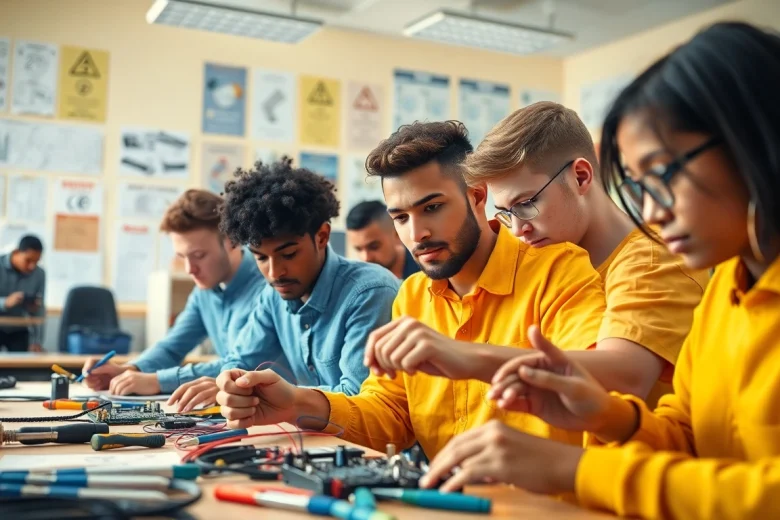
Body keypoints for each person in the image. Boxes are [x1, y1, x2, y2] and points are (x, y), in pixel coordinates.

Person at [423, 21, 780, 519]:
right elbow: (684, 431)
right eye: (639, 185)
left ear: (750, 141)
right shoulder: (729, 286)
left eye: (662, 177)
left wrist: (575, 468)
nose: (652, 212)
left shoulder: (653, 256)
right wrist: (608, 414)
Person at [216, 122, 607, 459]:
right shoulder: (413, 295)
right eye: (401, 217)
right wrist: (296, 403)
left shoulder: (559, 270)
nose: (416, 234)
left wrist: (466, 356)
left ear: (477, 196)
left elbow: (596, 389)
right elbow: (389, 417)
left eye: (432, 208)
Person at [462, 101, 709, 405]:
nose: (517, 229)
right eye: (506, 213)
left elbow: (626, 377)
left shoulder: (654, 259)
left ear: (580, 176)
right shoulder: (547, 266)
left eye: (526, 204)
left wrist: (469, 357)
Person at [217, 158, 400, 396]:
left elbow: (360, 397)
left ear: (322, 236)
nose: (274, 273)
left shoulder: (371, 292)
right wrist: (229, 382)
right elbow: (238, 361)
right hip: (310, 433)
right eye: (261, 258)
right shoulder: (272, 297)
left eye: (289, 254)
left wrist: (282, 398)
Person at [83, 190, 267, 412]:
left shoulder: (268, 287)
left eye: (199, 255)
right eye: (182, 257)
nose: (190, 269)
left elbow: (241, 366)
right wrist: (130, 370)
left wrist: (156, 381)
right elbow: (172, 348)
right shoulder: (205, 291)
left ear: (232, 241)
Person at [346, 200, 420, 279]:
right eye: (359, 249)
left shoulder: (425, 272)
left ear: (397, 234)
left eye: (374, 247)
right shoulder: (360, 280)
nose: (366, 258)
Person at [0, 235, 45, 353]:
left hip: (19, 329)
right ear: (16, 252)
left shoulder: (39, 274)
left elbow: (40, 311)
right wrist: (5, 302)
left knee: (23, 366)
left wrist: (37, 341)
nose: (32, 266)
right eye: (28, 260)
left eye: (36, 261)